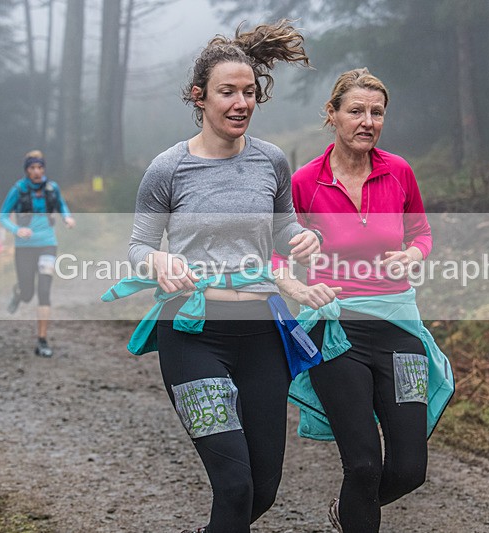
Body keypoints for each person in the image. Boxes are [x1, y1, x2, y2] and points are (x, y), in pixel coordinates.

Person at [122, 21, 319, 533]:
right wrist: (158, 261)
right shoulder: (168, 168)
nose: (241, 102)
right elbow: (139, 247)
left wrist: (302, 239)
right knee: (234, 487)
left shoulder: (271, 161)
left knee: (263, 488)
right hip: (192, 334)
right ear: (199, 97)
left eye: (249, 92)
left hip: (261, 332)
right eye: (227, 92)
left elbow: (284, 230)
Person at [273, 68, 452, 533]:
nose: (367, 121)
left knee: (410, 469)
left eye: (377, 112)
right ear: (332, 115)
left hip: (399, 328)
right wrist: (298, 284)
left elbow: (422, 233)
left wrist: (412, 254)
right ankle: (356, 517)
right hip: (335, 330)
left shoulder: (400, 172)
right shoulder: (305, 182)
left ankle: (347, 512)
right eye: (356, 111)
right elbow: (275, 257)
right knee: (365, 466)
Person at [0, 150, 75, 357]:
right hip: (24, 247)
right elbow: (3, 216)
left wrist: (67, 218)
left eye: (40, 167)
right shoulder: (18, 189)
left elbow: (61, 205)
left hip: (48, 244)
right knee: (27, 293)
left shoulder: (52, 188)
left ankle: (42, 340)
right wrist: (17, 230)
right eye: (32, 168)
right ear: (26, 170)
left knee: (44, 290)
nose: (37, 171)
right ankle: (19, 293)